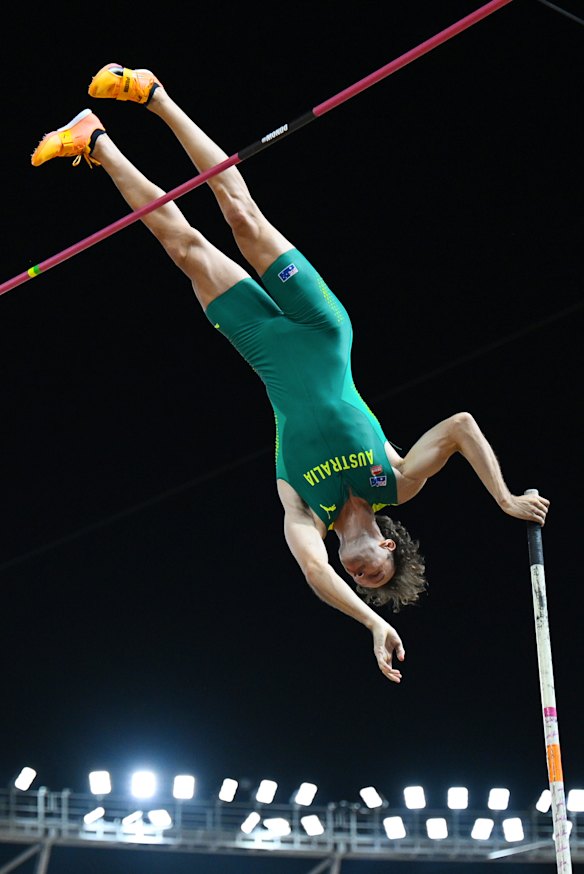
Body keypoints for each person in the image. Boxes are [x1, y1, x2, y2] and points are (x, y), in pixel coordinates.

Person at [31, 64, 550, 683]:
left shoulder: (303, 507)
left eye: (359, 580)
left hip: (263, 349)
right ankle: (153, 94)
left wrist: (373, 622)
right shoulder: (398, 480)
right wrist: (505, 498)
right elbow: (462, 425)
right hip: (322, 329)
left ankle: (94, 141)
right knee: (241, 216)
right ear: (387, 545)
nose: (360, 574)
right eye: (374, 573)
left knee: (184, 247)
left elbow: (313, 571)